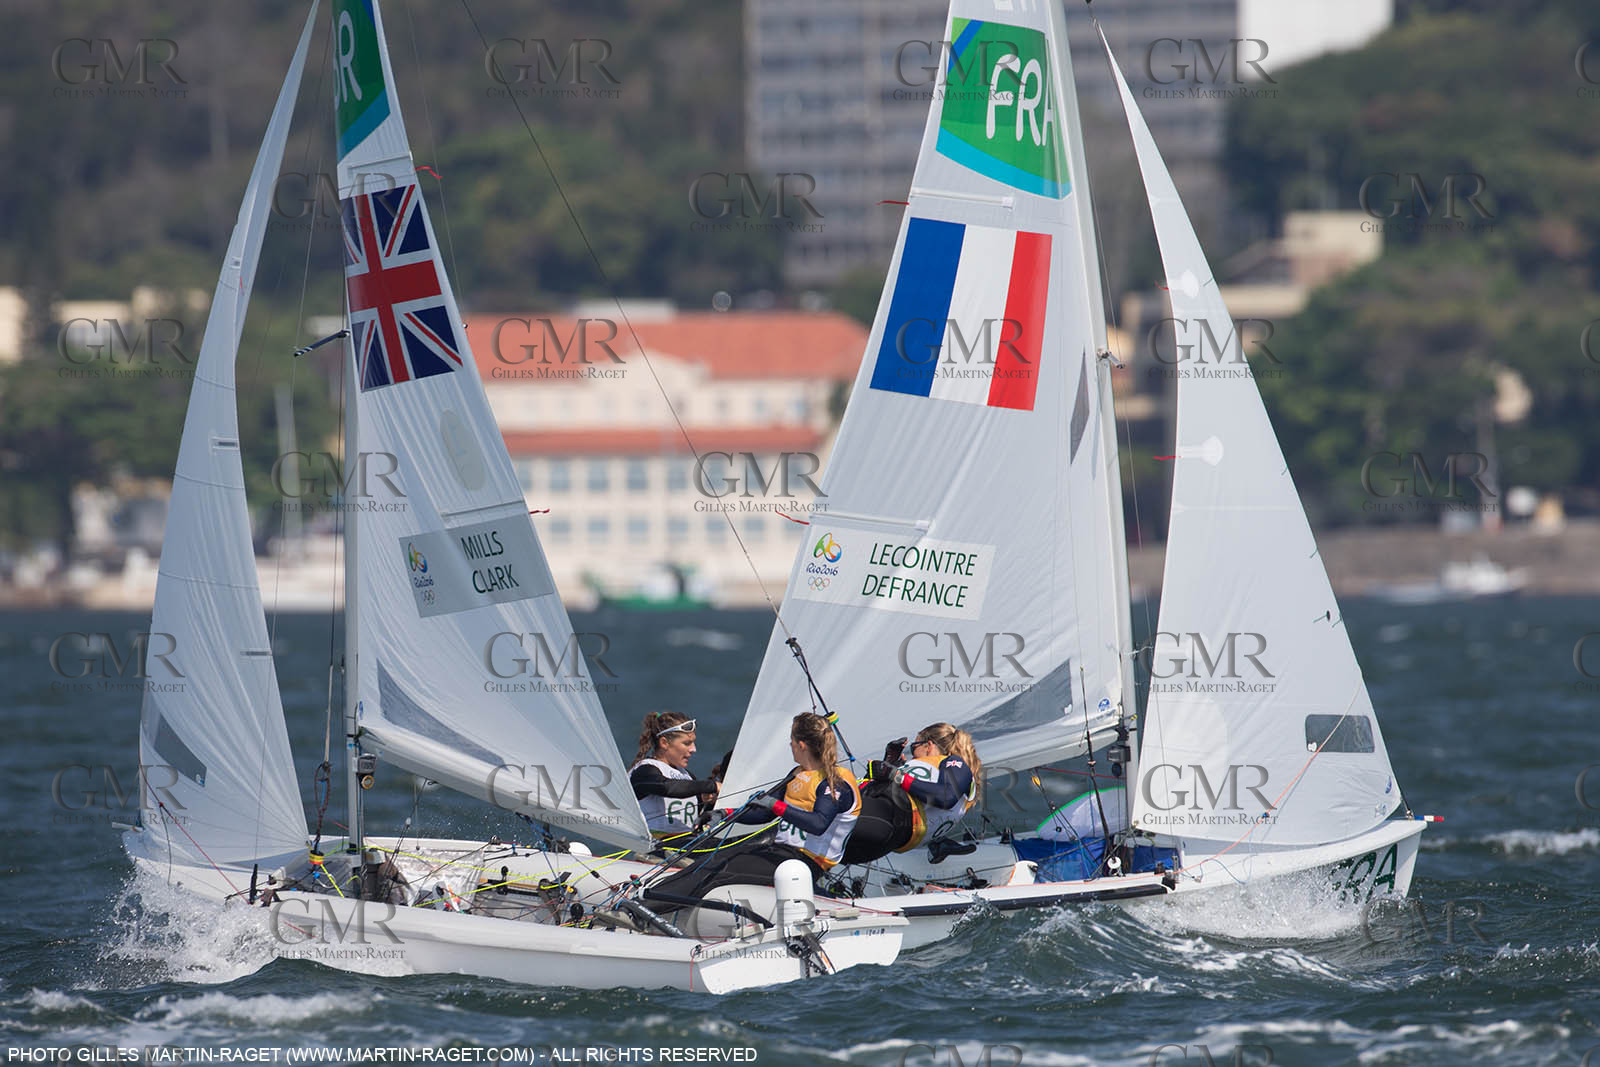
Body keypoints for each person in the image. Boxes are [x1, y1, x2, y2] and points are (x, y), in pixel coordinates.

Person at [644, 712, 860, 902]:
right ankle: (651, 897)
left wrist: (776, 806)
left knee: (720, 868)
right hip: (781, 853)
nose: (790, 745)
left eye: (791, 741)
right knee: (716, 857)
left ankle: (648, 905)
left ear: (801, 745)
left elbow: (818, 824)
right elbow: (763, 812)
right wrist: (725, 814)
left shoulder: (835, 783)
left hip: (804, 864)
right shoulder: (798, 773)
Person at [842, 722, 981, 865]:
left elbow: (946, 796)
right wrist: (888, 762)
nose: (911, 754)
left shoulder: (954, 762)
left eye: (914, 746)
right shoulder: (928, 775)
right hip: (882, 840)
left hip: (887, 818)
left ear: (929, 746)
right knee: (818, 857)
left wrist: (894, 774)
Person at [629, 712, 718, 842]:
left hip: (686, 847)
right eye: (687, 743)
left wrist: (708, 801)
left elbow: (697, 816)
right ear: (664, 743)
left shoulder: (687, 776)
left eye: (693, 743)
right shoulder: (645, 771)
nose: (694, 749)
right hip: (655, 850)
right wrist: (712, 785)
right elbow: (666, 787)